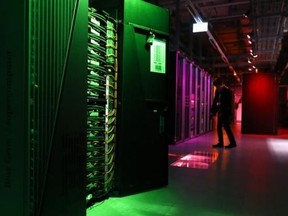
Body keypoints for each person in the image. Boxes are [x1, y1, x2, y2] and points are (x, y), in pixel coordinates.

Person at [211, 78, 237, 148]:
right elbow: (215, 100)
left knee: (226, 127)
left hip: (226, 112)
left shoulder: (227, 91)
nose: (217, 88)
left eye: (217, 86)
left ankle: (233, 143)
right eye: (216, 86)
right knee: (219, 127)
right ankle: (221, 143)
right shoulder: (218, 91)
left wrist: (223, 112)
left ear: (221, 84)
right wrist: (213, 111)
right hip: (221, 111)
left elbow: (228, 104)